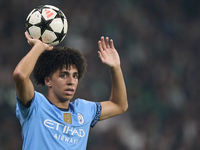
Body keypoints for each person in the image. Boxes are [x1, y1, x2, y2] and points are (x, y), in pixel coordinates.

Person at [13, 32, 128, 150]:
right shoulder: (35, 105)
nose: (71, 81)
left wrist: (116, 68)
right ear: (48, 81)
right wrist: (39, 46)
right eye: (63, 75)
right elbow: (20, 75)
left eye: (75, 76)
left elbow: (119, 105)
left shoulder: (84, 110)